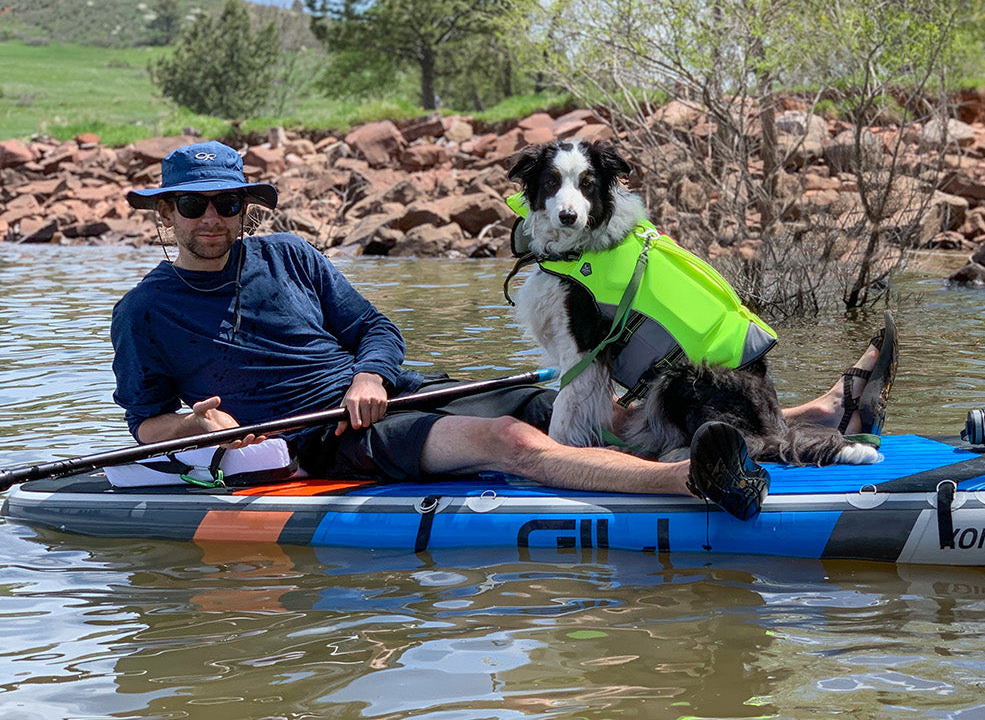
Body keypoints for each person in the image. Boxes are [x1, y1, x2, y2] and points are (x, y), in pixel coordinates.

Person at [111, 141, 893, 521]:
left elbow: (374, 328)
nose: (213, 219)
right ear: (164, 212)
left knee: (579, 410)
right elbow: (147, 423)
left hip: (386, 395)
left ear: (246, 206)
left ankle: (811, 419)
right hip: (320, 439)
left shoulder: (286, 254)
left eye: (228, 203)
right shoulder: (143, 312)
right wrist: (197, 424)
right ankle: (695, 479)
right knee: (511, 444)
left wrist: (369, 373)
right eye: (194, 205)